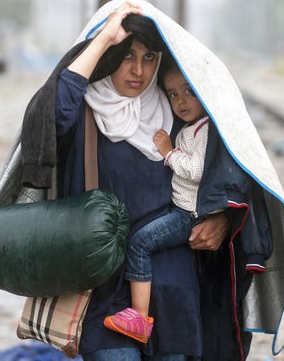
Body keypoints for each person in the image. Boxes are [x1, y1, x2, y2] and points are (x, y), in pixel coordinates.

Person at [0, 0, 284, 360]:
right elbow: (51, 115)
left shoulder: (177, 109)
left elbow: (228, 177)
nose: (138, 70)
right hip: (103, 288)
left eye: (149, 56)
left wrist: (221, 217)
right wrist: (105, 38)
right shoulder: (84, 109)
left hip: (174, 285)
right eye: (126, 55)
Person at [103, 64, 272, 345]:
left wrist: (169, 153)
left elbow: (196, 169)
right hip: (182, 208)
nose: (180, 101)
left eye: (189, 92)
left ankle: (139, 317)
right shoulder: (193, 129)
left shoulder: (206, 131)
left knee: (140, 243)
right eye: (172, 94)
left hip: (189, 215)